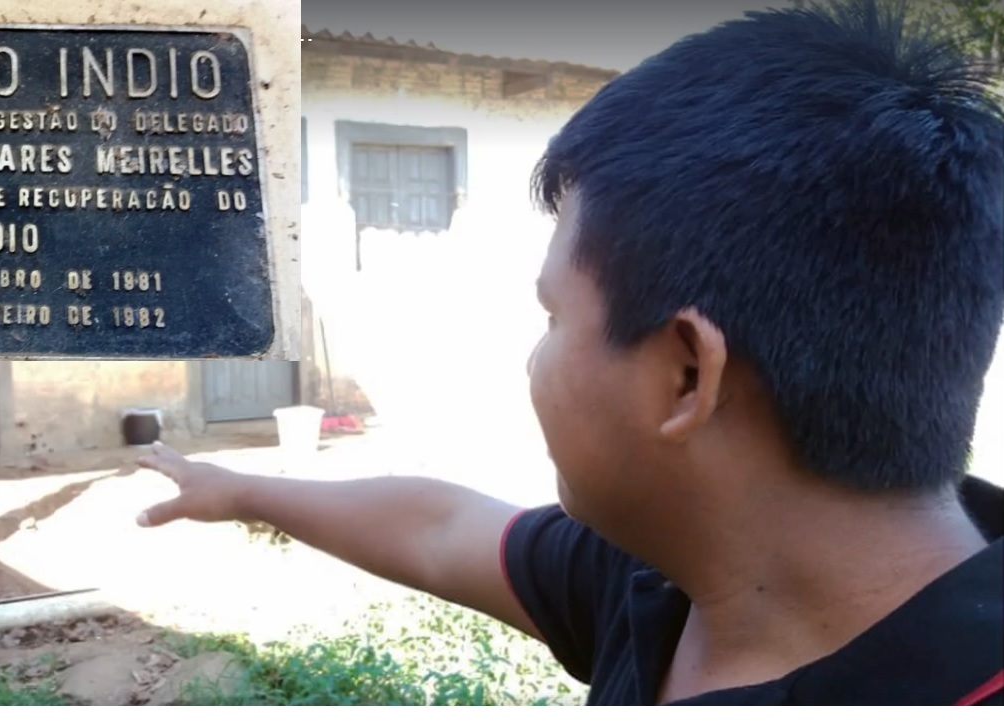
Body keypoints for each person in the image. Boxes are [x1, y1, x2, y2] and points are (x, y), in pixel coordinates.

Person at [133, 0, 1004, 706]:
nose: (534, 360)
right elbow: (441, 527)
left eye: (551, 317)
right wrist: (240, 488)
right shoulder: (674, 580)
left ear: (686, 375)